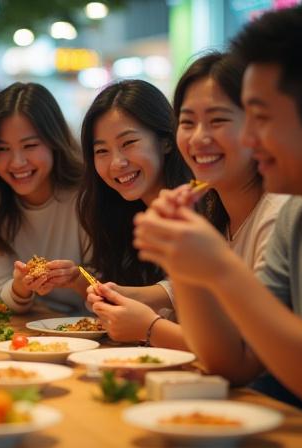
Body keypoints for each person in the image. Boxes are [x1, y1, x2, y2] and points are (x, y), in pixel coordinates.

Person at [133, 1, 302, 433]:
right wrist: (184, 263)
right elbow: (235, 363)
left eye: (259, 118)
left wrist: (222, 268)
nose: (246, 138)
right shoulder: (299, 215)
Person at [87, 53, 288, 349]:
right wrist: (141, 297)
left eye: (217, 120)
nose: (198, 137)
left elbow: (248, 350)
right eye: (188, 122)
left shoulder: (279, 215)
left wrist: (148, 326)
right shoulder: (211, 212)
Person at [0, 82, 88, 314]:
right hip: (32, 325)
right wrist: (20, 287)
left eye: (30, 145)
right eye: (2, 149)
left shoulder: (86, 193)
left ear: (54, 141)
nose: (17, 162)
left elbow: (108, 282)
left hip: (96, 328)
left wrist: (78, 277)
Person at [77, 79, 191, 315]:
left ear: (167, 141)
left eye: (128, 143)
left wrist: (130, 296)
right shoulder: (117, 215)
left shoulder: (199, 205)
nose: (117, 163)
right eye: (102, 151)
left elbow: (202, 285)